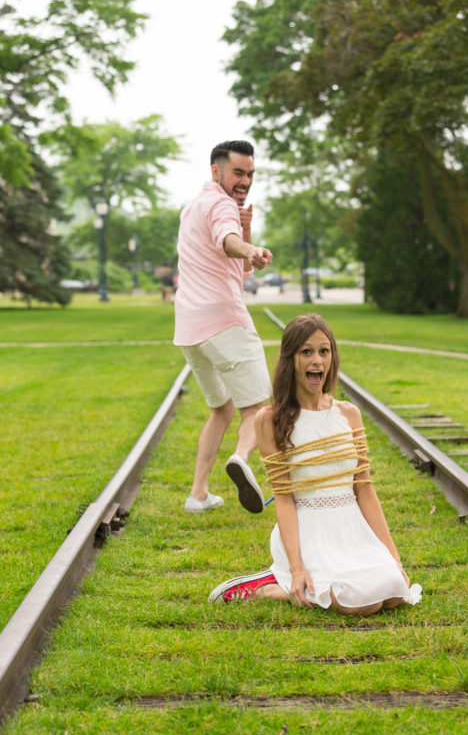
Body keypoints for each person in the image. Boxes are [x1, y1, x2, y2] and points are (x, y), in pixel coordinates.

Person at [209, 314, 422, 615]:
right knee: (360, 603)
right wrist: (297, 568)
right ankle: (271, 586)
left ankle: (289, 584)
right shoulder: (269, 420)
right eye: (306, 352)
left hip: (351, 528)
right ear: (291, 360)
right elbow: (283, 498)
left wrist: (395, 560)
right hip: (311, 530)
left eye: (324, 351)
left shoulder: (349, 415)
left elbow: (365, 491)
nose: (317, 361)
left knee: (394, 593)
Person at [174, 140, 273, 514]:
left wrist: (246, 236)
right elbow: (229, 244)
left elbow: (239, 268)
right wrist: (247, 246)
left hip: (190, 330)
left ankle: (198, 495)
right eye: (238, 172)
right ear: (216, 172)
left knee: (222, 409)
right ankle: (241, 459)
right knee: (257, 409)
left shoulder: (194, 208)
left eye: (250, 174)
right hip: (225, 322)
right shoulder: (220, 204)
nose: (245, 180)